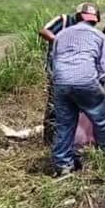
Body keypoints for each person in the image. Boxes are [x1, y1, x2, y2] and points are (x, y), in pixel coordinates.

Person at [50, 2, 105, 176]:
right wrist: (96, 87)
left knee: (64, 125)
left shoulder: (60, 35)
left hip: (61, 83)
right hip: (86, 81)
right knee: (100, 120)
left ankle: (63, 166)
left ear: (77, 17)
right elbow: (103, 70)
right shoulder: (100, 37)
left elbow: (54, 62)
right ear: (96, 20)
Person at [39, 9, 81, 145]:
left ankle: (67, 139)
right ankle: (49, 139)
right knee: (54, 104)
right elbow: (43, 31)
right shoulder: (64, 20)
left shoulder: (85, 31)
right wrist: (59, 40)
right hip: (56, 70)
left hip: (73, 73)